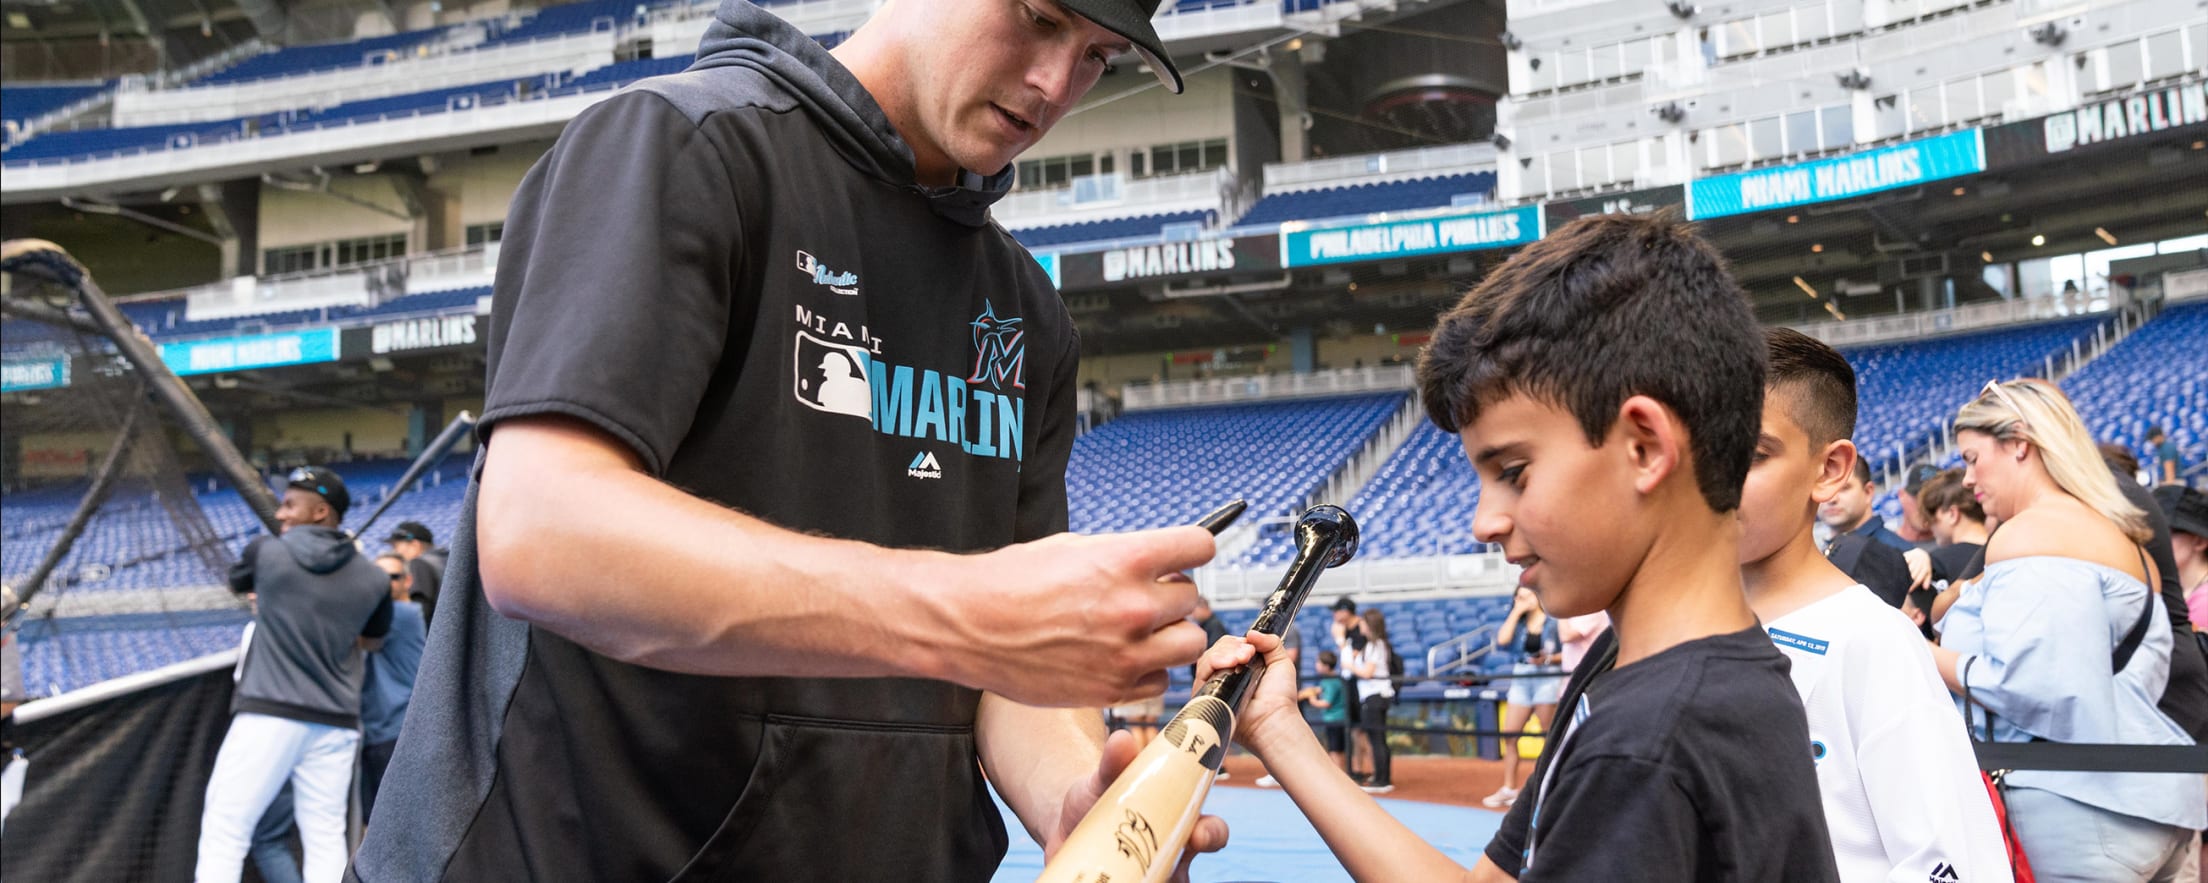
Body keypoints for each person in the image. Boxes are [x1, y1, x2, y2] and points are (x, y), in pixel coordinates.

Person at [347, 0, 1228, 878]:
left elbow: (1009, 670)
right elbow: (540, 534)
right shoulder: (681, 144)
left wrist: (1071, 795)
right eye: (1037, 19)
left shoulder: (1029, 310)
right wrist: (962, 612)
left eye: (1097, 58)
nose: (1054, 84)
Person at [1197, 213, 1839, 881]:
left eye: (1512, 472)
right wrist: (1277, 728)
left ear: (1644, 447)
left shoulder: (1647, 741)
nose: (1484, 521)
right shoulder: (1640, 668)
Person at [1739, 328, 2010, 881]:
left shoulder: (1873, 642)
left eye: (1750, 454)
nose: (1714, 478)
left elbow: (1952, 865)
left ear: (1830, 470)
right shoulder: (1663, 632)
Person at [1927, 379, 2205, 881]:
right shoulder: (2113, 535)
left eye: (1972, 457)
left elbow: (2033, 688)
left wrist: (1919, 653)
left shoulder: (2033, 532)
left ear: (2018, 444)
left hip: (2075, 804)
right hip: (2145, 799)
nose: (1967, 479)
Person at [197, 466, 393, 883]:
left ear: (320, 511)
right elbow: (373, 640)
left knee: (226, 827)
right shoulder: (374, 577)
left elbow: (240, 582)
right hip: (336, 720)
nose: (281, 515)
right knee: (324, 837)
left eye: (289, 505)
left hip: (269, 713)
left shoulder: (266, 552)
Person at [360, 554, 425, 824]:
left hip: (394, 729)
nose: (385, 584)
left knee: (389, 821)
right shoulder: (393, 615)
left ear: (407, 581)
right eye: (379, 577)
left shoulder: (403, 614)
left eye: (393, 577)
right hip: (385, 728)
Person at [1482, 587, 1559, 809]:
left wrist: (1548, 660)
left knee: (1549, 736)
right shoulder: (1520, 623)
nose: (1522, 600)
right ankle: (1508, 788)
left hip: (1548, 678)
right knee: (1510, 736)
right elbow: (1503, 640)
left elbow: (1569, 650)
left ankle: (1547, 787)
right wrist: (1516, 612)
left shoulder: (1553, 621)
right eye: (1519, 596)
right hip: (1522, 677)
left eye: (1527, 596)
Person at [1820, 458, 1918, 608]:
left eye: (1844, 488)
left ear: (1868, 492)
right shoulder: (1820, 550)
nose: (1832, 498)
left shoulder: (1899, 553)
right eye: (1823, 488)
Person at [1345, 609, 1396, 794]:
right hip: (1374, 696)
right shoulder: (1374, 645)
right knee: (1378, 738)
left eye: (1364, 623)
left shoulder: (1376, 645)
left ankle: (1382, 780)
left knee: (1377, 739)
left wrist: (1350, 666)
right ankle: (1380, 777)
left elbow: (1368, 673)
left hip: (1375, 695)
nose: (1361, 626)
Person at [1918, 468, 1989, 582]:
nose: (1928, 524)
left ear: (1952, 514)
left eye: (1931, 514)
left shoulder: (1936, 563)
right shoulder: (2007, 549)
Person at [2157, 485, 2208, 632]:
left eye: (2165, 533)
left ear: (2199, 542)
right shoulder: (2182, 591)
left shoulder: (2204, 603)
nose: (2156, 541)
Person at [381, 522, 444, 626]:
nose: (394, 551)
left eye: (396, 546)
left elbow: (421, 612)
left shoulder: (418, 563)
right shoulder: (446, 560)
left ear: (415, 545)